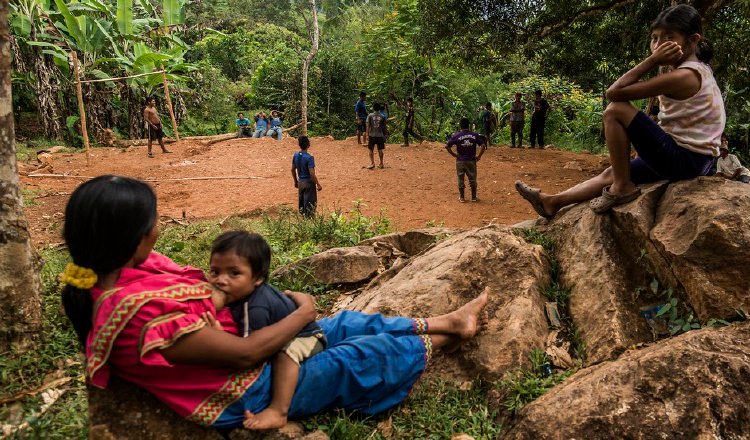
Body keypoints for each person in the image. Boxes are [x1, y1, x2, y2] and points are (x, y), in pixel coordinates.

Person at [60, 175, 489, 430]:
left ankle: (446, 321)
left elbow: (206, 294)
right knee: (355, 358)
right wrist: (303, 312)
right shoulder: (137, 316)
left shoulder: (125, 265)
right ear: (132, 236)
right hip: (246, 388)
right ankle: (445, 340)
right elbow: (245, 354)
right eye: (152, 220)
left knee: (344, 323)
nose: (157, 227)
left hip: (245, 338)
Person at [515, 4, 725, 219]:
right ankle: (552, 202)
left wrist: (652, 61)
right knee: (612, 173)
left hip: (685, 160)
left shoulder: (685, 76)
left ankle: (623, 187)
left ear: (693, 40)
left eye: (668, 37)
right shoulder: (696, 69)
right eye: (654, 38)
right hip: (693, 159)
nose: (658, 45)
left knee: (615, 111)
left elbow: (614, 93)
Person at [207, 231, 326, 429]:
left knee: (285, 353)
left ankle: (279, 410)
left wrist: (218, 335)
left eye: (234, 273)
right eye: (215, 272)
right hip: (289, 326)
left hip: (306, 335)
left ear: (258, 278)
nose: (221, 280)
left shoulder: (255, 309)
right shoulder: (242, 294)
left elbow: (249, 352)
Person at [445, 117, 486, 202]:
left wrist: (454, 155)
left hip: (460, 160)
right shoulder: (474, 135)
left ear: (460, 126)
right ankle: (474, 197)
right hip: (471, 160)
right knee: (473, 178)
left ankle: (462, 197)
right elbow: (483, 146)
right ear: (469, 125)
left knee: (460, 178)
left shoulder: (457, 135)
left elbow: (447, 146)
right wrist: (479, 156)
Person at [291, 136, 322, 216]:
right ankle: (309, 222)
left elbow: (292, 169)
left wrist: (295, 181)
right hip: (308, 183)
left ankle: (303, 221)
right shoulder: (309, 157)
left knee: (302, 204)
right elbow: (311, 173)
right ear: (308, 145)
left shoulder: (296, 155)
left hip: (300, 182)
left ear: (299, 145)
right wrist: (318, 184)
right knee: (310, 206)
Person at [366, 102, 388, 169]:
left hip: (372, 135)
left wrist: (367, 135)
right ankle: (381, 163)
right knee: (380, 149)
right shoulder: (383, 116)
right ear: (379, 108)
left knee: (370, 149)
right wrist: (385, 134)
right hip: (380, 135)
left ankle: (372, 163)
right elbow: (384, 127)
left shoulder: (370, 115)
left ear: (373, 108)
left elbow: (368, 126)